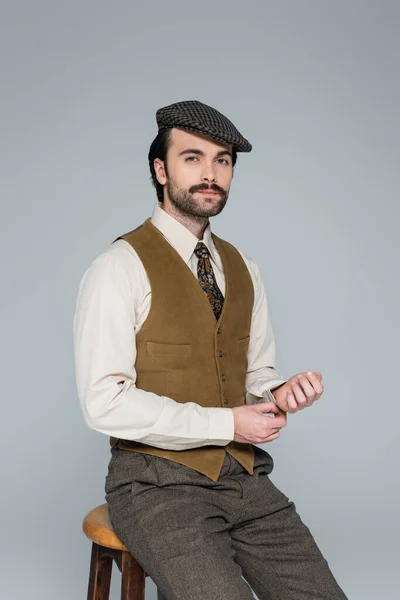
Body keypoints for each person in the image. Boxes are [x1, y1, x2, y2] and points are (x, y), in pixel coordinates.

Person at [73, 100, 348, 600]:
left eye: (222, 161)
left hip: (245, 478)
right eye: (193, 157)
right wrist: (227, 424)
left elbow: (254, 373)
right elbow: (103, 402)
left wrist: (280, 392)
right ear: (161, 169)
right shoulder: (118, 267)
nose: (210, 173)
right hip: (154, 487)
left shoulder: (244, 267)